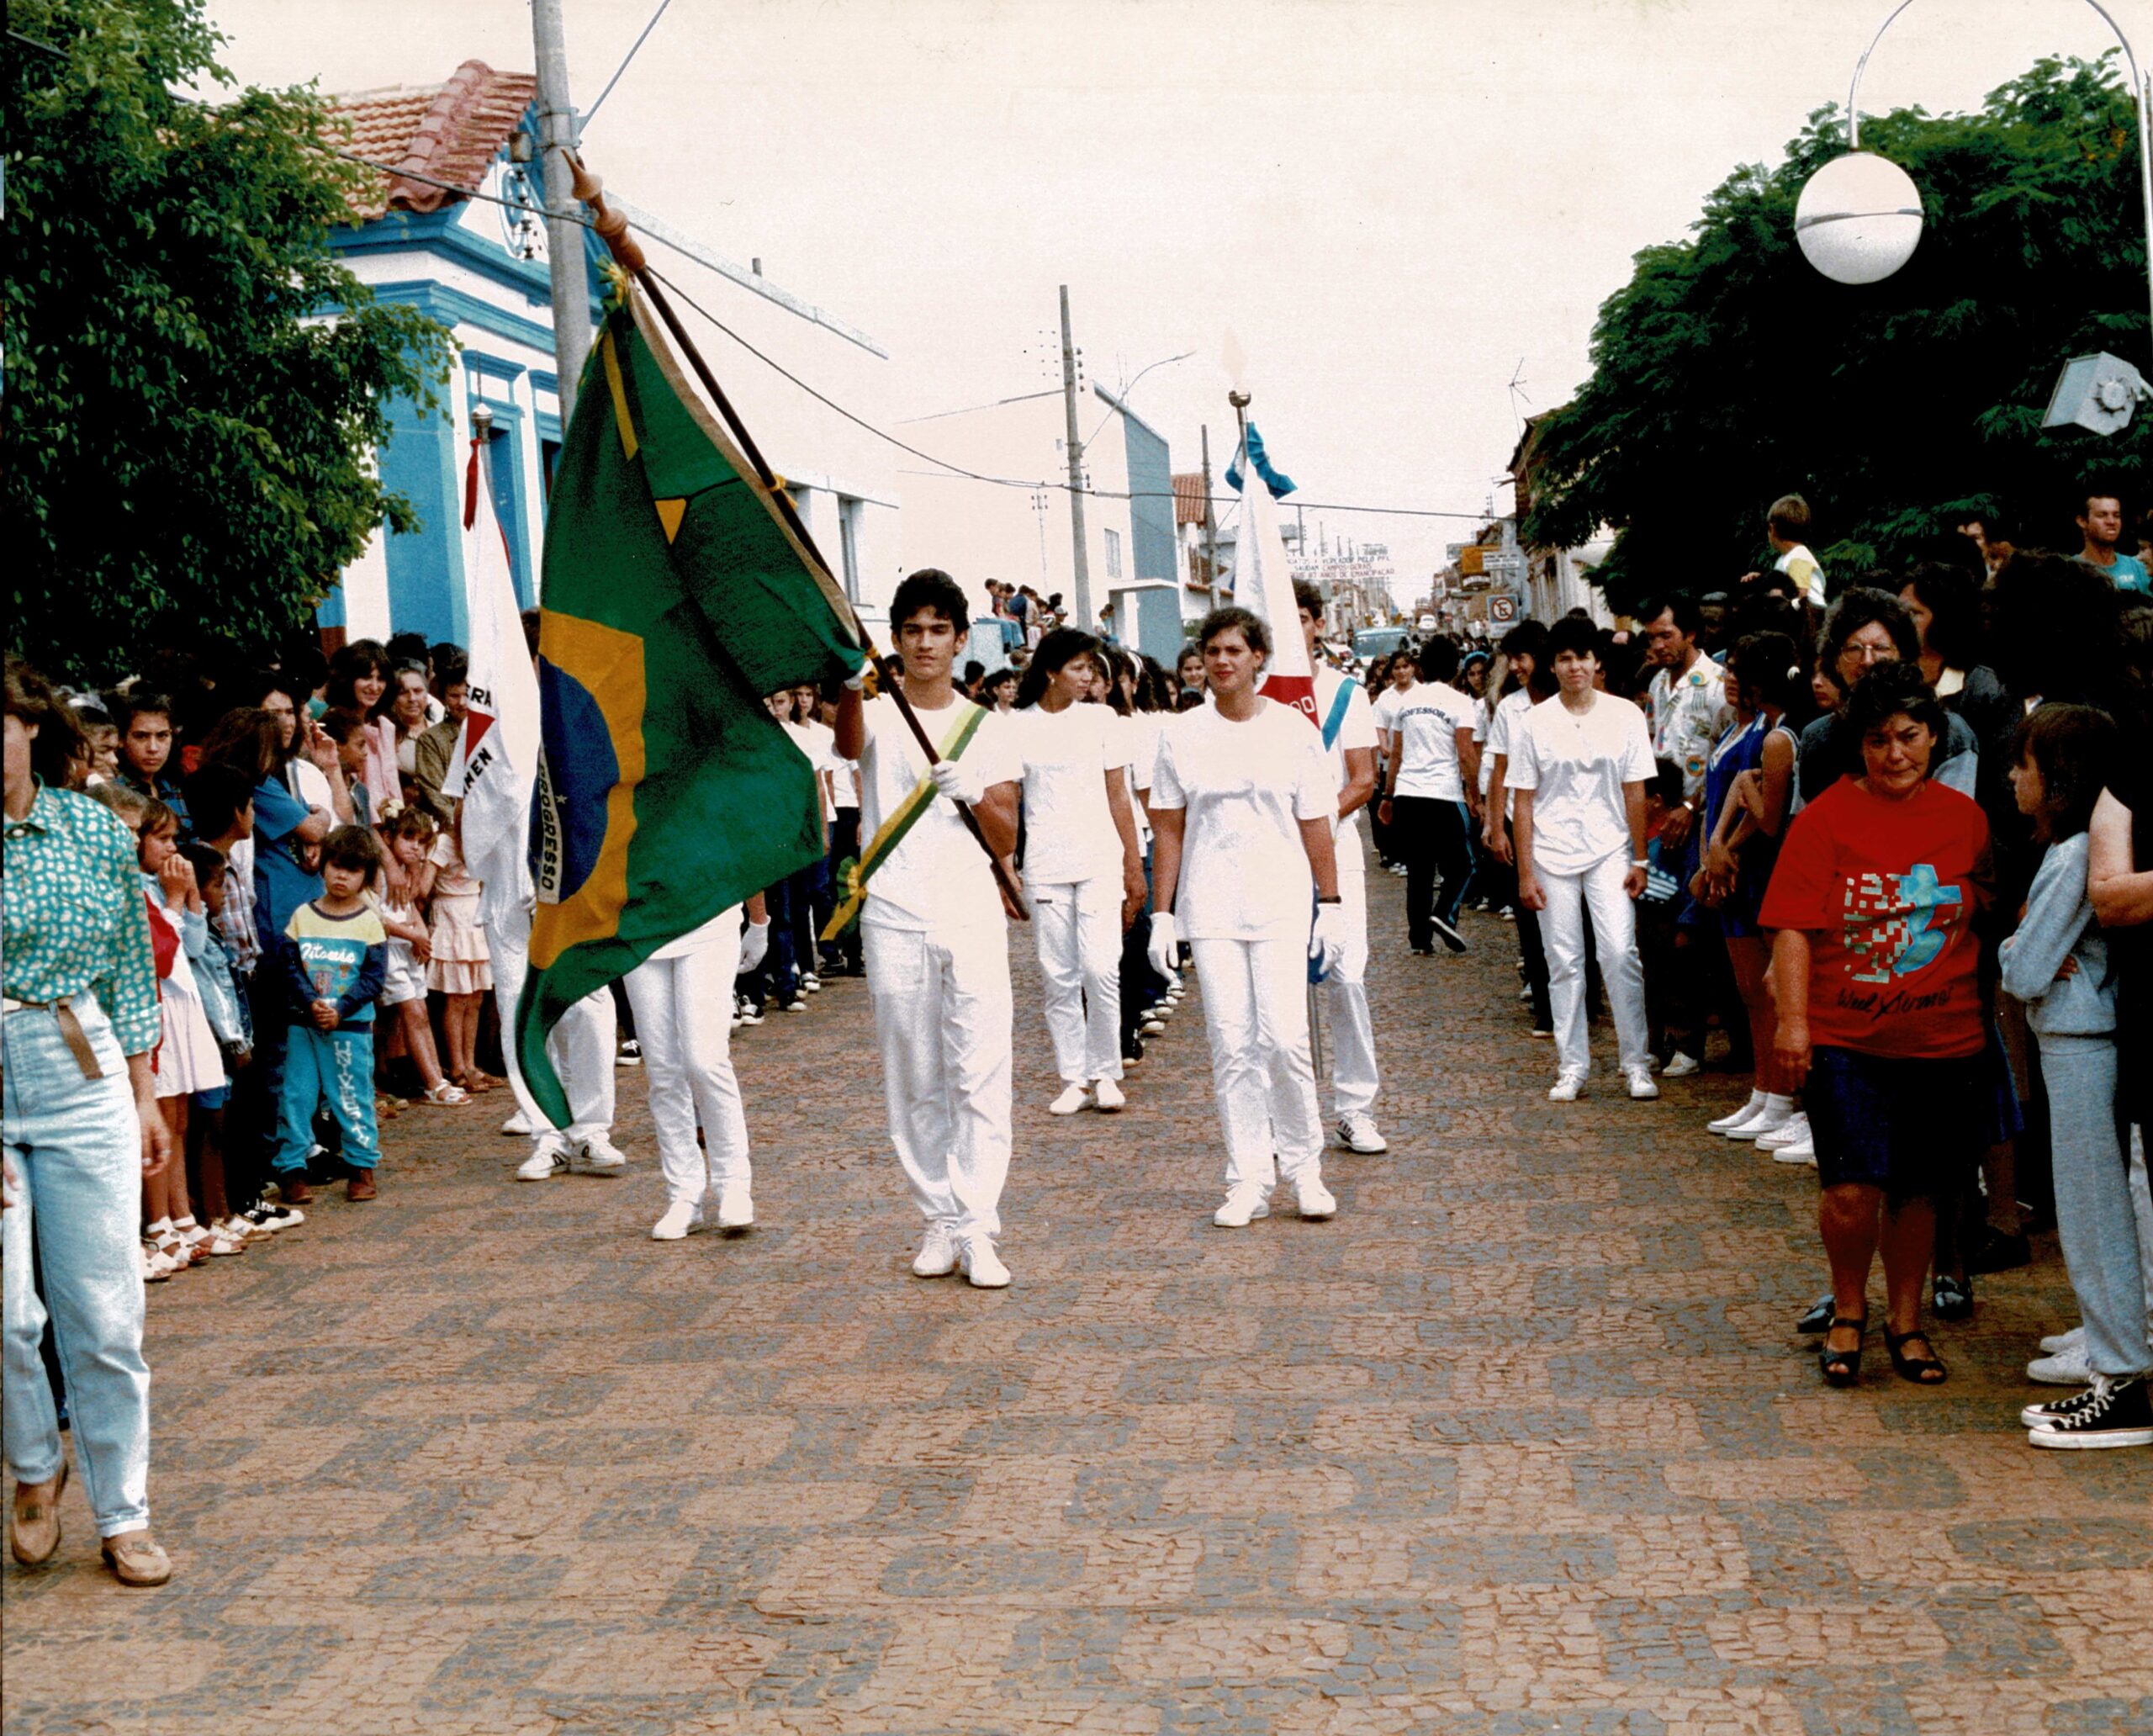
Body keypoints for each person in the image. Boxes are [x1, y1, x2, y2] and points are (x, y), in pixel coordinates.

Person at [1761, 663, 1991, 1389]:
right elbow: (1793, 929)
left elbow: (1990, 911)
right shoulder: (1825, 820)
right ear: (1858, 745)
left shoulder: (1967, 822)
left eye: (1911, 737)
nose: (1896, 755)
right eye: (1878, 740)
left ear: (1936, 737)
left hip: (1943, 1038)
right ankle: (1849, 1308)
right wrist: (1793, 1025)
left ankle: (1906, 1319)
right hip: (1845, 1041)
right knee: (1851, 1187)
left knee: (1921, 1188)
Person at [4, 656, 176, 1586]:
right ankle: (35, 1468)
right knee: (5, 1312)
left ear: (31, 725)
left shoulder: (89, 829)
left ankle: (125, 1511)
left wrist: (146, 1095)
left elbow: (126, 967)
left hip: (80, 1065)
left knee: (103, 1310)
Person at [833, 569, 1024, 1289]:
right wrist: (853, 682)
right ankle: (938, 1218)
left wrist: (973, 792)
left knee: (978, 1070)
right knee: (913, 1074)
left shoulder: (989, 729)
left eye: (938, 630)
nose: (925, 643)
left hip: (968, 910)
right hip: (894, 911)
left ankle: (979, 1223)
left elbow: (1005, 835)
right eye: (911, 630)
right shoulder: (880, 716)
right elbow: (849, 750)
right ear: (896, 640)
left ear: (961, 638)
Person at [1145, 606, 1347, 1228]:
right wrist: (1162, 914)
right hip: (1211, 907)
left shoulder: (1292, 732)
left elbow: (1316, 822)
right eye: (1212, 652)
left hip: (1281, 901)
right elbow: (1170, 828)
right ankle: (1248, 1177)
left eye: (1235, 650)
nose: (1223, 661)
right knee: (1232, 1044)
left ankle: (1304, 1169)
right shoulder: (1181, 734)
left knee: (1284, 1040)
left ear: (1258, 656)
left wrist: (1331, 904)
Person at [2002, 707, 2151, 1447]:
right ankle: (2112, 1359)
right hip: (2078, 1038)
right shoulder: (2072, 850)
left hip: (2078, 1040)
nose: (2011, 778)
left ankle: (2119, 1373)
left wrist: (2013, 950)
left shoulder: (2071, 857)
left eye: (2022, 766)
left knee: (2095, 1216)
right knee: (2097, 1210)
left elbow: (2025, 967)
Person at [1509, 617, 1658, 1103]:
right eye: (1566, 659)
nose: (1576, 668)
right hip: (1552, 852)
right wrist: (1526, 871)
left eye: (1583, 658)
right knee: (1564, 960)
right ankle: (1572, 1065)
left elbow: (1635, 790)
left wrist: (1640, 858)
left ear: (1598, 663)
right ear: (1553, 666)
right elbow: (1524, 800)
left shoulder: (1625, 716)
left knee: (1619, 952)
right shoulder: (1533, 722)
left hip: (1610, 849)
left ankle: (1636, 1061)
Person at [1011, 629, 1145, 1115]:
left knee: (1100, 968)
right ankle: (1073, 1077)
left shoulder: (1102, 719)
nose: (1089, 677)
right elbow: (1007, 800)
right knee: (1058, 977)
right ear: (1051, 671)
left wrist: (1133, 865)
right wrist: (1004, 864)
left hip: (1099, 861)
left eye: (1092, 668)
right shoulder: (1016, 726)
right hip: (1046, 865)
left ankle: (1107, 1071)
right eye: (1079, 668)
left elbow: (1119, 797)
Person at [1689, 633, 1802, 1142]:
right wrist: (1709, 852)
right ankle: (1762, 1091)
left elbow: (1762, 813)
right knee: (1749, 993)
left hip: (1755, 868)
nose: (1731, 679)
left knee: (1770, 992)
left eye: (1738, 670)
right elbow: (1718, 796)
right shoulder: (1732, 730)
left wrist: (1725, 848)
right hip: (1729, 867)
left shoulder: (1769, 734)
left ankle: (1781, 1096)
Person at [1295, 584, 1388, 1154]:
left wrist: (1314, 819)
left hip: (1335, 845)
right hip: (1272, 854)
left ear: (1318, 622)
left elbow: (1363, 778)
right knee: (1282, 989)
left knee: (1346, 975)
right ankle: (1294, 1116)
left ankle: (1356, 1108)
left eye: (1301, 617)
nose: (1292, 628)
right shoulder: (1255, 695)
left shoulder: (1344, 692)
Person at [627, 897, 770, 1241]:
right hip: (639, 922)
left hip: (709, 916)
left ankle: (733, 1184)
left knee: (705, 1060)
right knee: (663, 1072)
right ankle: (684, 1194)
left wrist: (758, 920)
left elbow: (741, 844)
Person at [274, 825, 388, 1203]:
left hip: (350, 1028)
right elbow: (289, 967)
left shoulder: (369, 922)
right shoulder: (303, 917)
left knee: (352, 1096)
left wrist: (340, 1008)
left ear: (366, 877)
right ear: (323, 865)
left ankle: (361, 1166)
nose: (342, 876)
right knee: (297, 1095)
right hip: (304, 1025)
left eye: (353, 870)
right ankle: (292, 1168)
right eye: (336, 866)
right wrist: (312, 1003)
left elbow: (373, 979)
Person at [1796, 590, 1980, 807]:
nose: (1867, 660)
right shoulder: (1817, 738)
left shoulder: (1951, 733)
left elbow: (1955, 823)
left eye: (1880, 648)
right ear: (1836, 661)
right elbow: (1803, 825)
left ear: (1903, 656)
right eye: (1854, 649)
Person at [1374, 638, 1479, 955]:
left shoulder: (1407, 702)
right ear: (1456, 666)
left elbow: (1397, 755)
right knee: (1463, 865)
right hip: (1444, 794)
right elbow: (1466, 755)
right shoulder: (1461, 702)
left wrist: (1389, 796)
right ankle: (1444, 913)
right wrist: (1475, 795)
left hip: (1408, 793)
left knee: (1419, 870)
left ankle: (1419, 938)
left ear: (1421, 666)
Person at [376, 807, 466, 1107]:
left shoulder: (405, 872)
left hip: (407, 947)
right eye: (408, 837)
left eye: (422, 841)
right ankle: (432, 1083)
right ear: (389, 838)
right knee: (412, 1013)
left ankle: (436, 1078)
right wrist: (412, 934)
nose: (415, 846)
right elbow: (377, 916)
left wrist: (420, 932)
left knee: (421, 1013)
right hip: (389, 948)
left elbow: (409, 908)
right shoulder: (381, 871)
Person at [1638, 594, 1730, 863]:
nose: (1658, 645)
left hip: (1701, 817)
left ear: (1689, 635)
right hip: (1661, 820)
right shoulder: (1657, 683)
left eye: (1666, 636)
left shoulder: (1718, 684)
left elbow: (1724, 761)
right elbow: (1651, 740)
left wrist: (1691, 805)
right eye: (1652, 638)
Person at [425, 807, 495, 1095]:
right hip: (451, 916)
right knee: (456, 996)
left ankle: (471, 1063)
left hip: (474, 914)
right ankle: (456, 1066)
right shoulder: (444, 843)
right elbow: (424, 885)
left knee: (475, 997)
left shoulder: (483, 840)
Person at [109, 691, 190, 839]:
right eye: (141, 736)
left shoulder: (172, 786)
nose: (153, 748)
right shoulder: (113, 791)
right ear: (120, 739)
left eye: (162, 736)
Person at [2077, 491, 2150, 594]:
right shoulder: (2070, 570)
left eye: (2116, 515)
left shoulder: (2140, 567)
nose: (2111, 522)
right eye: (2102, 515)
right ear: (2082, 521)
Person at [1766, 494, 1827, 616]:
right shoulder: (1788, 557)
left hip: (1812, 616)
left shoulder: (1799, 557)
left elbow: (1803, 595)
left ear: (1772, 529)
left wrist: (1786, 609)